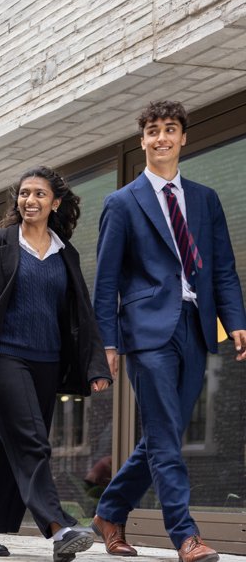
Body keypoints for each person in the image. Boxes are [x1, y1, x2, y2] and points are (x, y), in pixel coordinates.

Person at [92, 101, 246, 562]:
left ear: (183, 138)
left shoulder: (205, 199)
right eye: (153, 131)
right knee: (164, 437)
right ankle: (185, 535)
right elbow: (105, 281)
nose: (162, 138)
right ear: (142, 140)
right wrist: (108, 342)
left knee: (165, 433)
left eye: (170, 129)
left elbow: (222, 268)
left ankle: (111, 510)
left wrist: (235, 320)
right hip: (147, 331)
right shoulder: (121, 202)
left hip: (196, 327)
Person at [0, 166, 111, 561]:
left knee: (15, 445)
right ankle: (58, 527)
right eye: (24, 194)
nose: (30, 201)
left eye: (39, 194)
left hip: (48, 364)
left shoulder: (64, 252)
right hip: (4, 358)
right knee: (34, 442)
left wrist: (95, 366)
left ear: (55, 203)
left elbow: (81, 315)